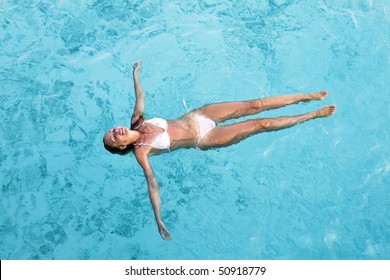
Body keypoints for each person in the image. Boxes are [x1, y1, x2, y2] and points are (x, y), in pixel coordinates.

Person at [103, 61, 336, 240]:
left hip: (199, 115)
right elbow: (152, 185)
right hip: (205, 137)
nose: (115, 131)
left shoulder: (137, 120)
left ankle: (307, 97)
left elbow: (140, 95)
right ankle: (311, 115)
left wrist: (135, 74)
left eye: (112, 130)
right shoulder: (141, 153)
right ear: (122, 146)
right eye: (114, 137)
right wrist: (159, 219)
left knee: (255, 104)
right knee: (261, 124)